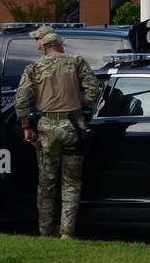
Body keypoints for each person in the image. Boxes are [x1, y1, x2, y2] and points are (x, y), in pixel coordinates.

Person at [15, 34, 98, 239]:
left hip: (47, 128)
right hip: (72, 125)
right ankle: (66, 232)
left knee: (46, 183)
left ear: (43, 48)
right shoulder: (76, 61)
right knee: (71, 182)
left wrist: (26, 127)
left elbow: (21, 102)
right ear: (60, 46)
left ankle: (45, 231)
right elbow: (93, 90)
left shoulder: (33, 68)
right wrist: (80, 105)